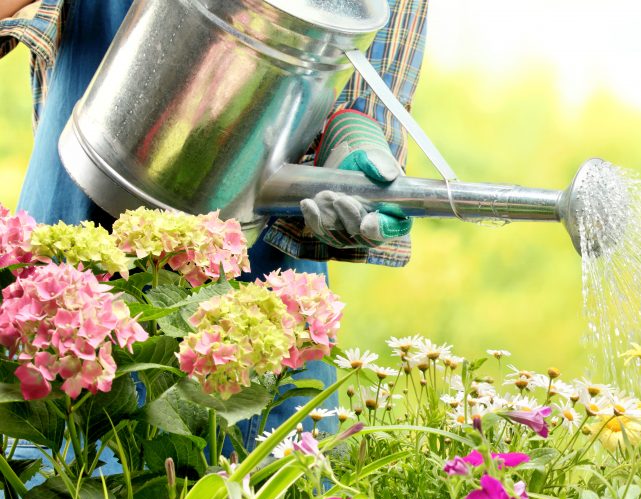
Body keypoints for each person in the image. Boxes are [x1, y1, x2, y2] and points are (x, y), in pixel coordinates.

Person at [0, 0, 427, 451]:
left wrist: (350, 146)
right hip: (63, 280)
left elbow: (364, 85)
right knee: (56, 492)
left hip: (242, 313)